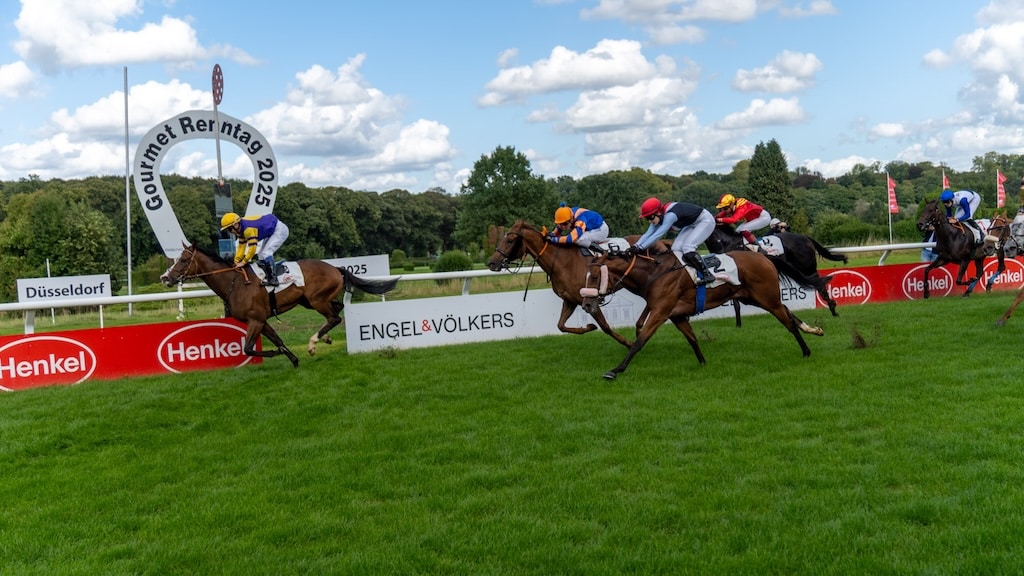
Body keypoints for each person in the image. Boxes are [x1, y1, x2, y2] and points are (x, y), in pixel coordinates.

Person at [627, 197, 716, 285]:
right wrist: (635, 246)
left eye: (650, 217)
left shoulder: (670, 215)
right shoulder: (658, 216)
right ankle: (687, 274)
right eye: (647, 219)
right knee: (675, 249)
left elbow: (656, 236)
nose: (650, 221)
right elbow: (647, 234)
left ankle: (707, 274)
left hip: (705, 220)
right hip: (692, 224)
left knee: (688, 248)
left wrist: (641, 248)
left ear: (658, 213)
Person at [220, 212, 290, 286]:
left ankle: (273, 279)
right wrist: (236, 261)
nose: (230, 232)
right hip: (272, 231)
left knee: (266, 253)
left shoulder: (248, 229)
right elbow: (241, 246)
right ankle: (267, 274)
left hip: (279, 230)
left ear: (235, 224)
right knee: (261, 255)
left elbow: (252, 249)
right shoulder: (240, 230)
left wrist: (243, 262)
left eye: (230, 229)